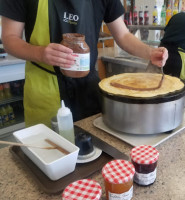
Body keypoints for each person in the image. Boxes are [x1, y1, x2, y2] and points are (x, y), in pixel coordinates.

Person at [0, 0, 168, 128]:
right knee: (51, 158)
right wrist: (39, 53)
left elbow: (123, 36)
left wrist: (150, 53)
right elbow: (9, 39)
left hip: (88, 87)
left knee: (94, 151)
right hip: (45, 87)